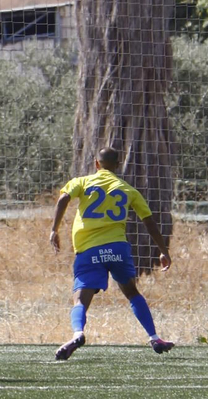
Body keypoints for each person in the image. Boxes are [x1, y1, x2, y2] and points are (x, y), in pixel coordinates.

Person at [48, 146, 175, 360]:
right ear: (118, 165)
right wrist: (163, 251)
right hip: (118, 249)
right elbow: (150, 222)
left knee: (80, 300)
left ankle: (78, 333)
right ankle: (154, 337)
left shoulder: (82, 181)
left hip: (89, 250)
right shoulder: (127, 189)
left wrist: (54, 230)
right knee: (132, 293)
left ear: (96, 164)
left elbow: (63, 199)